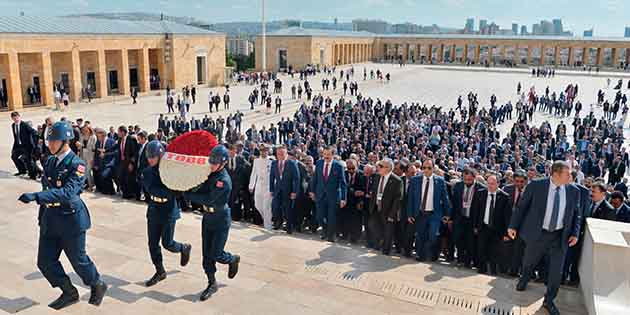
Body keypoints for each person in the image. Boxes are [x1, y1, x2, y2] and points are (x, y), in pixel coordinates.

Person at [18, 121, 107, 310]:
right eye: (49, 141)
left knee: (79, 261)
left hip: (71, 219)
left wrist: (37, 197)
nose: (49, 145)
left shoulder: (77, 164)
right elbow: (48, 186)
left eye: (54, 141)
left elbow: (68, 193)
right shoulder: (50, 160)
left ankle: (97, 284)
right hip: (50, 219)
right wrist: (42, 216)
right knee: (45, 262)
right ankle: (68, 291)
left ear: (65, 141)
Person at [508, 161, 582, 315]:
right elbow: (522, 207)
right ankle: (524, 278)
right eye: (567, 173)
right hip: (538, 233)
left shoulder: (574, 191)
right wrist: (512, 226)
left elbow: (577, 214)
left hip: (560, 236)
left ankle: (549, 301)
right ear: (555, 174)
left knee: (557, 271)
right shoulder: (536, 185)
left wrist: (575, 233)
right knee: (529, 261)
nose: (571, 176)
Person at [182, 145, 240, 301]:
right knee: (206, 254)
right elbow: (201, 188)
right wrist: (189, 187)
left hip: (221, 219)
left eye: (215, 162)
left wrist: (188, 195)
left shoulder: (223, 181)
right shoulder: (210, 173)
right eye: (211, 162)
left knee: (216, 253)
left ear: (223, 163)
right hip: (208, 217)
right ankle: (212, 283)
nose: (212, 165)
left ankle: (232, 259)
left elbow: (208, 199)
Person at [142, 141, 192, 287]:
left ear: (161, 155)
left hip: (169, 210)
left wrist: (176, 187)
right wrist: (171, 190)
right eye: (148, 157)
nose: (150, 159)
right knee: (152, 244)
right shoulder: (147, 172)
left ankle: (183, 248)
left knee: (168, 243)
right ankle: (160, 271)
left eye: (153, 157)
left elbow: (179, 191)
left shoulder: (170, 171)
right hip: (154, 209)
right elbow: (152, 190)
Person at [407, 159, 451, 262]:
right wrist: (410, 214)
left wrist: (448, 214)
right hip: (420, 213)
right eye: (424, 168)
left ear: (433, 169)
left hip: (434, 214)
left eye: (429, 168)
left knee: (432, 235)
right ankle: (420, 255)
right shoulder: (415, 180)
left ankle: (431, 253)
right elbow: (410, 199)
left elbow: (445, 198)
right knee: (420, 235)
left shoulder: (440, 181)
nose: (426, 170)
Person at [471, 174, 509, 275]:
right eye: (488, 184)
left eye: (492, 184)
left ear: (498, 184)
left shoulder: (504, 197)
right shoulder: (480, 194)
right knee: (481, 249)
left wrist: (506, 233)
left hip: (497, 229)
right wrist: (475, 226)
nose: (490, 186)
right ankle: (481, 270)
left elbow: (506, 216)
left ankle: (493, 271)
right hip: (483, 226)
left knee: (494, 251)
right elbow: (475, 211)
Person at [310, 146, 347, 242]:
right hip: (320, 195)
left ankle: (331, 235)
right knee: (320, 216)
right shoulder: (319, 163)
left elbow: (343, 183)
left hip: (333, 196)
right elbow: (315, 179)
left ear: (333, 155)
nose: (326, 156)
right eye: (324, 154)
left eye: (328, 154)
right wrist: (312, 191)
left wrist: (343, 198)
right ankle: (325, 230)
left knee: (332, 217)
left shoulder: (338, 166)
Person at [450, 167, 484, 268]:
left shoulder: (481, 188)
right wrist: (451, 219)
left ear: (474, 178)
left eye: (469, 180)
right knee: (459, 239)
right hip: (460, 218)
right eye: (465, 179)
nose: (467, 182)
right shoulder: (458, 186)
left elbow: (481, 209)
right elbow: (454, 204)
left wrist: (478, 225)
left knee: (470, 242)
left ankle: (468, 262)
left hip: (472, 219)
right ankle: (460, 259)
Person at [368, 158, 402, 255]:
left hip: (388, 211)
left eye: (381, 166)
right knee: (373, 226)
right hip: (376, 208)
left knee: (388, 232)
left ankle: (386, 250)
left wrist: (392, 214)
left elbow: (397, 199)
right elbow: (374, 192)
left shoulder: (397, 180)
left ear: (388, 168)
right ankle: (379, 243)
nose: (378, 168)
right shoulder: (377, 177)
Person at [270, 145, 300, 233]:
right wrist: (271, 189)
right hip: (277, 189)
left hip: (288, 190)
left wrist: (295, 191)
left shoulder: (291, 163)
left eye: (282, 154)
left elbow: (296, 178)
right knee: (275, 207)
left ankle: (289, 227)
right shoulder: (274, 163)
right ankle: (278, 222)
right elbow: (272, 177)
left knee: (287, 209)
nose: (280, 155)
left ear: (286, 154)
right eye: (278, 154)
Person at [249, 144, 274, 229]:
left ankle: (268, 225)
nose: (264, 152)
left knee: (266, 206)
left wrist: (273, 187)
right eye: (262, 150)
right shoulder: (256, 161)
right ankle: (266, 219)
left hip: (268, 186)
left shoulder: (271, 160)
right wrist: (251, 186)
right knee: (257, 204)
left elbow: (274, 175)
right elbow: (254, 173)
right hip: (259, 185)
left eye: (266, 150)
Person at [11, 111, 37, 180]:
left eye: (17, 117)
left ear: (19, 117)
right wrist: (14, 147)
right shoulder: (13, 125)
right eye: (14, 118)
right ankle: (22, 170)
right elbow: (16, 136)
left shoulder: (24, 124)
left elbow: (33, 132)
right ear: (12, 119)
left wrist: (36, 141)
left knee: (29, 160)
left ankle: (32, 175)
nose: (16, 119)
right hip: (18, 146)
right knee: (14, 156)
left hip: (27, 146)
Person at [93, 128, 117, 195]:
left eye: (98, 136)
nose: (97, 138)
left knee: (106, 176)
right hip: (100, 163)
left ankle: (111, 191)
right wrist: (96, 163)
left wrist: (105, 155)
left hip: (109, 163)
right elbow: (96, 154)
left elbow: (115, 152)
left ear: (103, 135)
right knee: (101, 176)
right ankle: (105, 191)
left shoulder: (111, 141)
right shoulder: (98, 142)